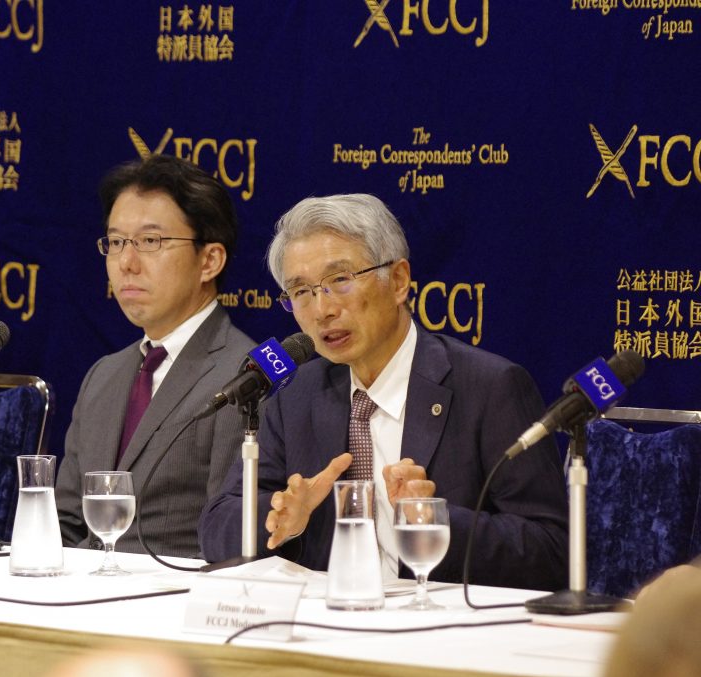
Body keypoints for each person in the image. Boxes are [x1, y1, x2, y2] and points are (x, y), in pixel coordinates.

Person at [199, 194, 568, 590]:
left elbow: (552, 553)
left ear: (398, 281)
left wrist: (435, 522)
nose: (321, 310)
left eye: (339, 281)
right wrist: (280, 520)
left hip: (437, 629)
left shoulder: (490, 388)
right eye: (301, 292)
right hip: (322, 623)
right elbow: (217, 527)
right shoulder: (297, 394)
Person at [55, 154, 255, 558]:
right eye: (115, 242)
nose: (126, 263)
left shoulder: (245, 378)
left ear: (210, 260)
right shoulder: (103, 375)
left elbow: (229, 543)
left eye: (151, 242)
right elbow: (66, 521)